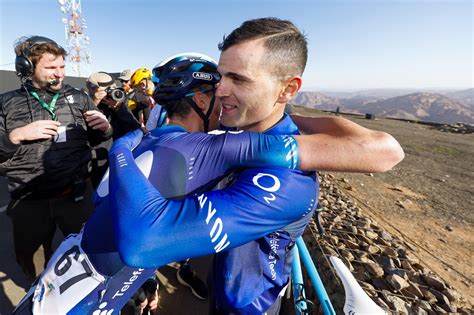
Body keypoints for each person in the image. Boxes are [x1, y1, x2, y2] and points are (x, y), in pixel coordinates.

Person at [14, 48, 403, 314]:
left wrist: (146, 282)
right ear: (202, 100)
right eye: (220, 91)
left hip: (64, 278)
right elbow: (380, 151)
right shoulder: (207, 148)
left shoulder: (149, 139)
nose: (228, 101)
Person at [0, 35, 112, 282]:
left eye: (62, 67)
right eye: (51, 67)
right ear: (26, 67)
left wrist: (104, 128)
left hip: (76, 196)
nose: (59, 74)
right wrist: (17, 135)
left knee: (90, 254)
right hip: (29, 203)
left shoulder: (79, 97)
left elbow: (94, 139)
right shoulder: (6, 103)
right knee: (35, 263)